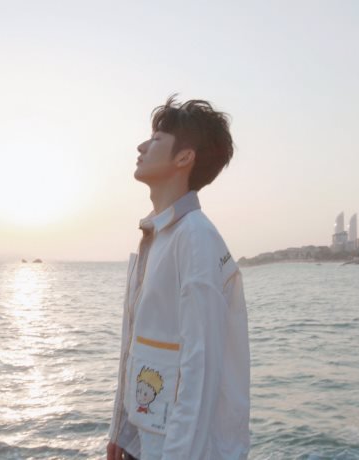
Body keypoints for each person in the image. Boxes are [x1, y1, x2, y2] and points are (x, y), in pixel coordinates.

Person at [106, 96, 250, 460]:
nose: (141, 146)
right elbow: (141, 347)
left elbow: (199, 373)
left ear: (184, 158)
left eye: (156, 139)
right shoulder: (160, 236)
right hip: (146, 443)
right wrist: (121, 432)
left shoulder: (195, 238)